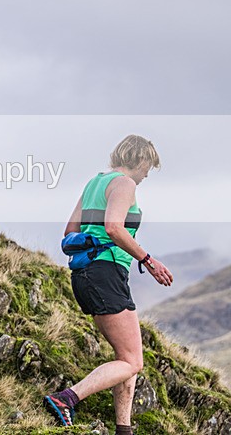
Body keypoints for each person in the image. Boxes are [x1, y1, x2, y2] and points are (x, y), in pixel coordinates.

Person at [44, 135, 174, 434]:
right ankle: (66, 399)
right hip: (106, 272)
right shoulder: (124, 184)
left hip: (85, 274)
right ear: (140, 159)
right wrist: (148, 260)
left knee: (127, 358)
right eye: (148, 168)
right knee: (132, 361)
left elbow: (69, 231)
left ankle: (123, 429)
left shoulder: (95, 183)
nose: (145, 176)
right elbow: (114, 228)